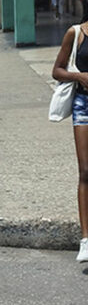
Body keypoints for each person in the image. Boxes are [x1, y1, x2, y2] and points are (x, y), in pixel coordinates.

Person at [53, 22, 88, 262]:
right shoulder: (75, 33)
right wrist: (79, 76)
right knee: (86, 171)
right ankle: (86, 240)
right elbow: (56, 70)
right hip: (83, 105)